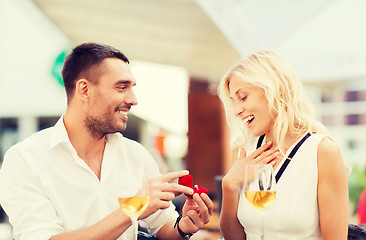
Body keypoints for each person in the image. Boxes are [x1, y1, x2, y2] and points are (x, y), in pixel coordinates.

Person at [0, 42, 213, 240]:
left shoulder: (136, 155)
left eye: (132, 87)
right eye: (122, 87)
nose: (133, 99)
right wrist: (133, 208)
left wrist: (184, 226)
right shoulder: (24, 160)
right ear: (84, 90)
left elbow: (164, 228)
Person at [217, 49, 348, 239]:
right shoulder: (243, 150)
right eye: (233, 101)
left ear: (275, 89)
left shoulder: (322, 151)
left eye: (243, 97)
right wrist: (229, 186)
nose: (237, 110)